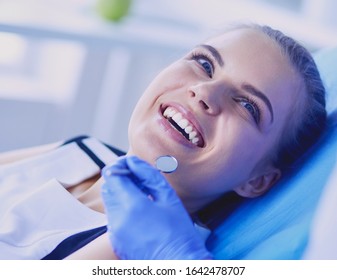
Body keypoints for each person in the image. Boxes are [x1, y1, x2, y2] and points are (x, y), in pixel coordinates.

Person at [0, 23, 326, 260]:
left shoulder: (137, 251)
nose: (204, 92)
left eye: (247, 105)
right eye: (204, 64)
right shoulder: (80, 149)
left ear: (258, 180)